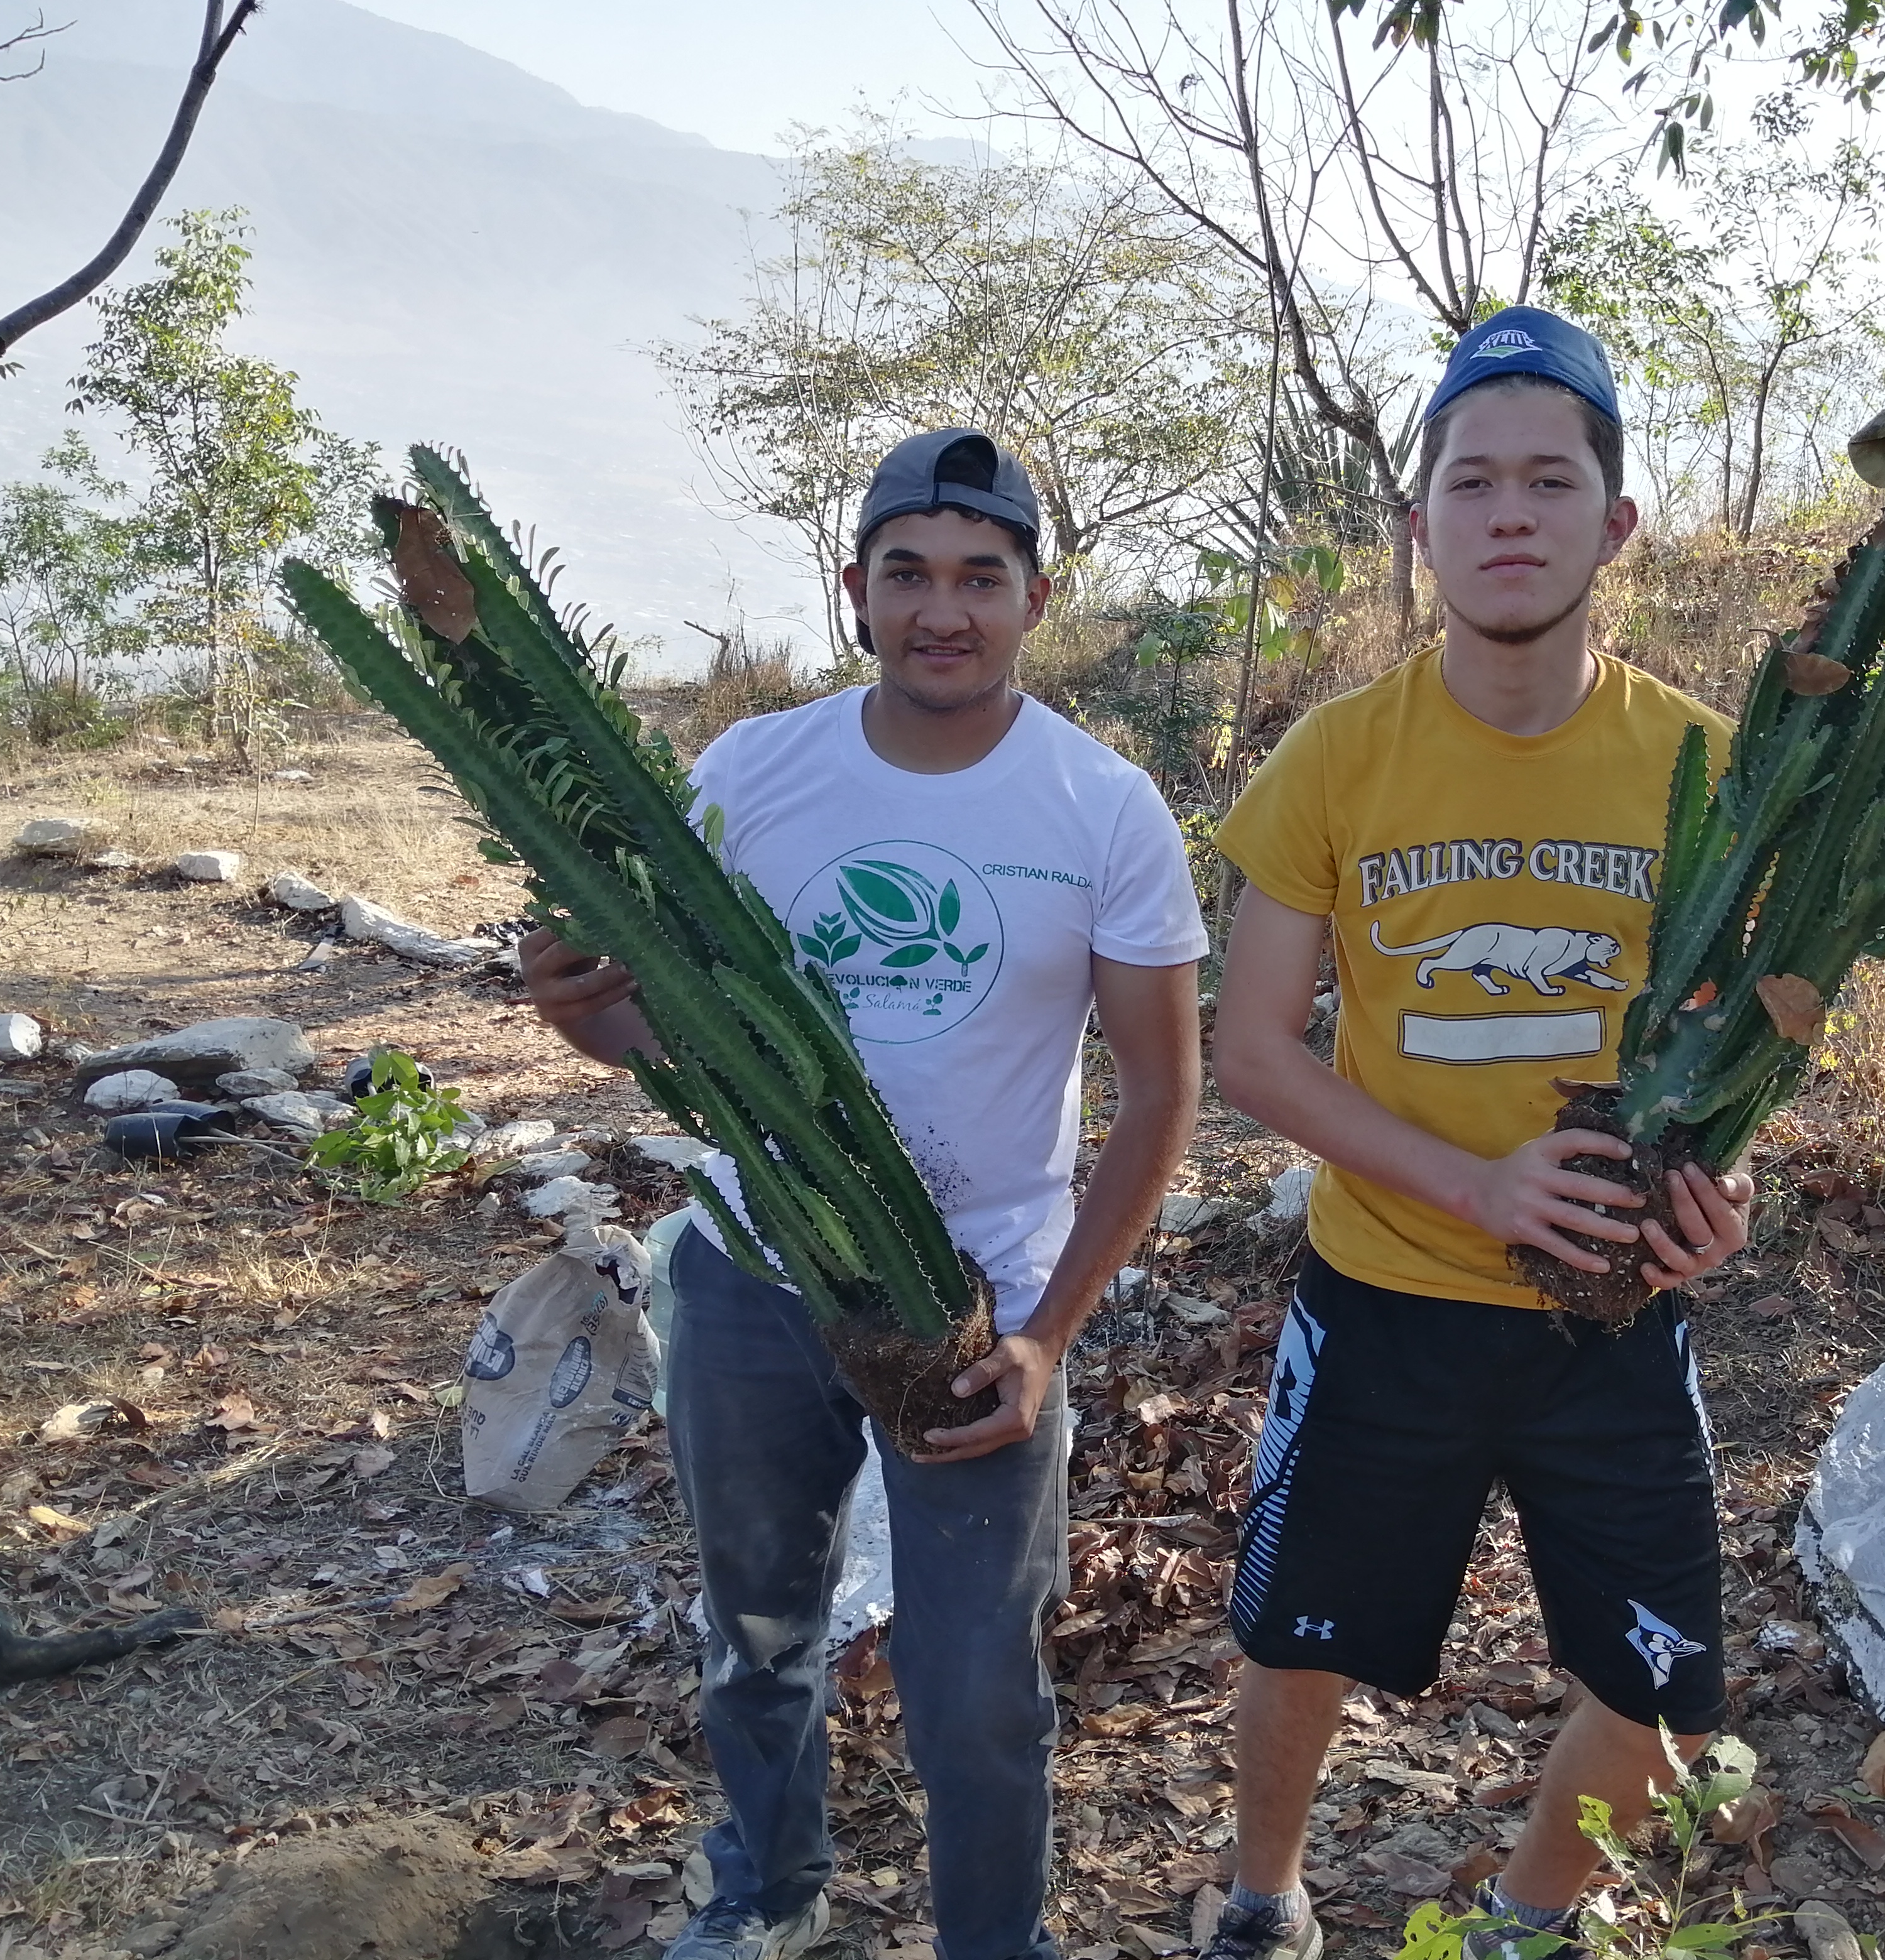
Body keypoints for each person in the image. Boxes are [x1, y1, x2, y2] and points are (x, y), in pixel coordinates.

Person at [520, 429, 1207, 1960]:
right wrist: (576, 1011)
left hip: (975, 1303)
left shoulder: (1103, 810)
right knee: (756, 1629)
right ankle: (765, 1890)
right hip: (749, 1280)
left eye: (981, 576)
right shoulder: (750, 774)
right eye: (908, 574)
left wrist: (1049, 1333)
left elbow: (1163, 1098)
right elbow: (673, 1040)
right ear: (855, 591)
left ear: (1037, 595)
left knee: (978, 1684)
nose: (942, 610)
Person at [1202, 310, 1757, 1960]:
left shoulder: (1707, 772)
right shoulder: (1339, 760)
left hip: (1615, 1314)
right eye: (1472, 482)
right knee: (1298, 1638)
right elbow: (1251, 1058)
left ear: (1615, 520)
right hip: (1386, 1299)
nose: (1510, 513)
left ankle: (1526, 1921)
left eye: (1550, 479)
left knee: (1664, 1684)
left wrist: (1726, 1196)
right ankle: (1264, 1897)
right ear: (1424, 520)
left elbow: (1734, 1059)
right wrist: (1478, 1184)